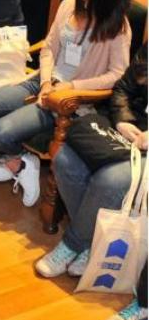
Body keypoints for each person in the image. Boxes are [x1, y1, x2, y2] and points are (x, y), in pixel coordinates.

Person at [0, 0, 132, 207]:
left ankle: (18, 161)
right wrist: (45, 82)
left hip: (68, 101)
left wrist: (72, 87)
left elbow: (117, 74)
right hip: (42, 82)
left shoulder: (118, 28)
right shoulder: (69, 6)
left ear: (109, 1)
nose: (84, 3)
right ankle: (20, 162)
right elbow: (48, 49)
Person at [34, 43, 146, 280]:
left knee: (111, 178)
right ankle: (92, 245)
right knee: (65, 158)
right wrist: (123, 120)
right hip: (128, 129)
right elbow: (123, 89)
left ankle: (71, 245)